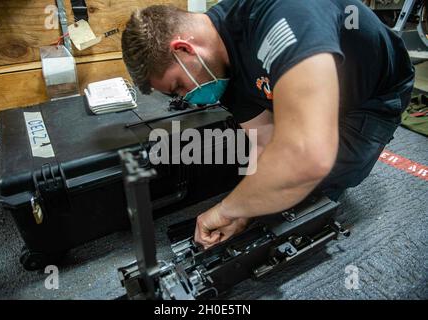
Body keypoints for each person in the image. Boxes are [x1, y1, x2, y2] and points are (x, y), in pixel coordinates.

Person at [121, 0, 415, 249]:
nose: (190, 99)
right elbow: (263, 142)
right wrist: (246, 210)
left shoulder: (283, 15)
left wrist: (229, 208)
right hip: (316, 87)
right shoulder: (223, 69)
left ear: (184, 49)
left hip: (370, 98)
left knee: (316, 183)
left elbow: (308, 158)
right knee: (270, 188)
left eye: (179, 86)